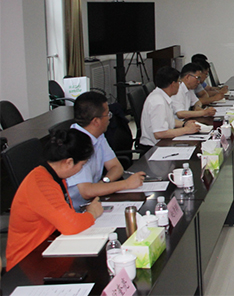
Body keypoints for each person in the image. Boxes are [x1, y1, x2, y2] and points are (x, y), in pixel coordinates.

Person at [6, 129, 104, 271]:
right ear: (69, 162)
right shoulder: (41, 184)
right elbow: (71, 226)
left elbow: (67, 216)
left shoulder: (53, 176)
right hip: (28, 262)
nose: (81, 169)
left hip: (51, 246)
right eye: (82, 165)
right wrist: (92, 213)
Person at [66, 92, 146, 210]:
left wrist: (103, 183)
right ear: (96, 121)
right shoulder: (76, 144)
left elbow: (116, 167)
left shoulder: (97, 135)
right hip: (77, 210)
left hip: (96, 200)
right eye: (107, 114)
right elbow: (86, 192)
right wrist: (126, 184)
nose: (109, 118)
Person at [140, 66, 201, 148]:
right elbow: (159, 133)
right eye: (178, 82)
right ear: (173, 84)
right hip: (153, 148)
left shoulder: (162, 96)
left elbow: (168, 120)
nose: (179, 85)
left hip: (162, 143)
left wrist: (185, 124)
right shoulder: (158, 102)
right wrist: (186, 130)